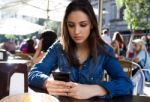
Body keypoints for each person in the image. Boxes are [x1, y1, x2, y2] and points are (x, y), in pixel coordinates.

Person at [28, 0, 133, 99]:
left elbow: (126, 84)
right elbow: (33, 73)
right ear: (66, 26)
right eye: (71, 25)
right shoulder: (58, 47)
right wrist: (47, 82)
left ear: (91, 24)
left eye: (83, 25)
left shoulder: (104, 50)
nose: (76, 31)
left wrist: (95, 89)